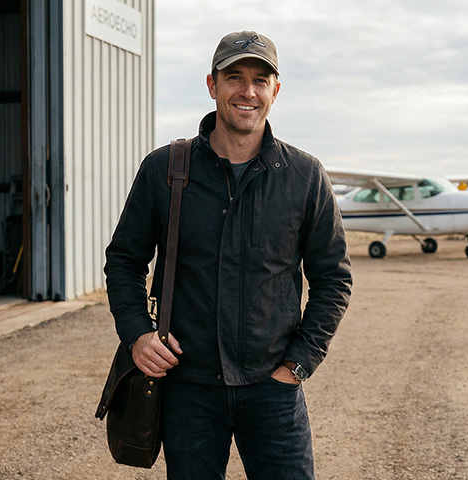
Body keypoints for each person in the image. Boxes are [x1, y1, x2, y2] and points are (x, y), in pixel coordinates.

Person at [104, 30, 353, 480]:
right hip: (188, 390)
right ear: (211, 84)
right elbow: (124, 259)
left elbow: (334, 276)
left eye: (261, 80)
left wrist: (299, 363)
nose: (248, 91)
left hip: (273, 388)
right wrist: (138, 333)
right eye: (234, 77)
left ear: (275, 91)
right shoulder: (166, 169)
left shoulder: (304, 176)